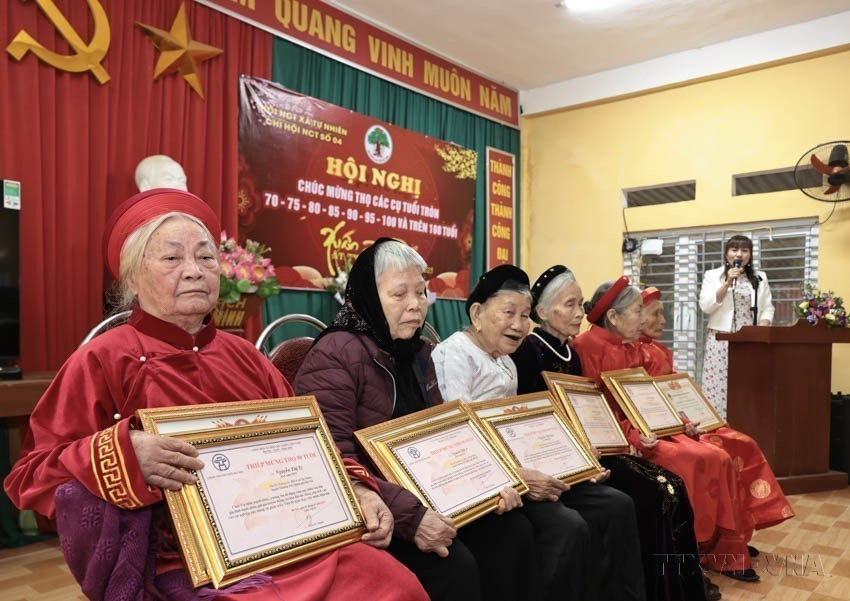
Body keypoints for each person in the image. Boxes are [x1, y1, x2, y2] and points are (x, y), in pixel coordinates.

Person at [4, 189, 427, 601]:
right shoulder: (101, 359)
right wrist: (125, 453)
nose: (194, 270)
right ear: (132, 276)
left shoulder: (246, 357)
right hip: (184, 559)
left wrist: (360, 489)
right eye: (172, 258)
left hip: (291, 535)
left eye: (206, 257)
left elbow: (311, 444)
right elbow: (31, 474)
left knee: (398, 585)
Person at [294, 240, 542, 601]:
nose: (415, 304)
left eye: (421, 292)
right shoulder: (335, 354)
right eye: (399, 294)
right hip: (375, 507)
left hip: (429, 494)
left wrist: (492, 484)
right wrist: (411, 518)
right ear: (368, 295)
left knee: (512, 531)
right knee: (455, 567)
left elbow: (446, 434)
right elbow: (333, 457)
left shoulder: (419, 352)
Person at [432, 264, 646, 601]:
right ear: (477, 312)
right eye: (509, 313)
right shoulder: (454, 355)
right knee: (567, 526)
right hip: (484, 478)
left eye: (525, 315)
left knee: (616, 504)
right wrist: (520, 477)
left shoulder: (505, 361)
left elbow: (523, 428)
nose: (519, 325)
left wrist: (577, 463)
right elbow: (460, 438)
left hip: (522, 468)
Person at [511, 265, 711, 601]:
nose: (581, 312)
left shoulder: (570, 352)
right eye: (571, 305)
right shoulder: (528, 351)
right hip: (555, 458)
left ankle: (671, 588)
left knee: (669, 486)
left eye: (580, 303)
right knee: (653, 492)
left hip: (596, 448)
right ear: (542, 312)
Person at [573, 277, 763, 583]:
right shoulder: (586, 348)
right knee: (693, 460)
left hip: (648, 431)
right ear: (613, 316)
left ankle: (717, 548)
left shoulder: (631, 347)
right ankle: (687, 561)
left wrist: (677, 421)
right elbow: (594, 412)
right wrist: (633, 435)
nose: (644, 318)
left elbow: (650, 398)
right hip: (620, 440)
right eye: (638, 311)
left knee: (716, 456)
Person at [640, 286, 794, 538]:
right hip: (664, 428)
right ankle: (722, 544)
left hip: (681, 420)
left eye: (662, 313)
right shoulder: (634, 352)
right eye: (655, 314)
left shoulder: (659, 350)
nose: (663, 321)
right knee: (719, 453)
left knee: (744, 442)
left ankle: (741, 534)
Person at [698, 235, 774, 417]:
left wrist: (762, 327)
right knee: (719, 384)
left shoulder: (759, 278)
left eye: (744, 250)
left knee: (747, 382)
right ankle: (718, 426)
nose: (739, 254)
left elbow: (767, 307)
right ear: (726, 254)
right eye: (734, 249)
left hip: (749, 337)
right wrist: (726, 283)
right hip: (721, 338)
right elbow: (706, 306)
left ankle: (745, 422)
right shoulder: (713, 276)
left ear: (750, 255)